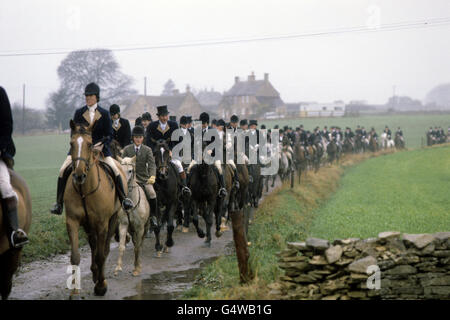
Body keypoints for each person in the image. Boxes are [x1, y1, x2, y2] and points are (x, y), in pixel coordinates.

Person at [50, 83, 133, 216]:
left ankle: (124, 200)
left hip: (100, 151)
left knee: (116, 170)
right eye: (86, 96)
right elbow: (74, 133)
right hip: (80, 151)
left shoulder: (105, 114)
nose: (88, 98)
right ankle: (59, 204)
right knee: (62, 170)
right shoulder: (79, 113)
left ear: (97, 97)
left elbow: (110, 134)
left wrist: (101, 144)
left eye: (90, 96)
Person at [0, 87, 29, 248]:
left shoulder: (0, 93)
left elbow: (6, 125)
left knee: (5, 186)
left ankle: (14, 232)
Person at [145, 105, 190, 195]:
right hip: (157, 154)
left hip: (170, 153)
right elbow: (148, 141)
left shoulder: (173, 125)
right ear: (158, 116)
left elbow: (179, 140)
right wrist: (154, 152)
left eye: (166, 116)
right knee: (146, 166)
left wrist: (172, 150)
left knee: (179, 165)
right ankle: (145, 186)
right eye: (162, 116)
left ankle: (184, 187)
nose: (164, 118)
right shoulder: (152, 126)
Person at [122, 125, 158, 230]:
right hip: (129, 180)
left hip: (143, 179)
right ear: (133, 138)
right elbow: (123, 163)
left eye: (140, 137)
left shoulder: (148, 150)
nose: (138, 139)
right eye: (136, 137)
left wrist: (152, 176)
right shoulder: (127, 149)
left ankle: (153, 217)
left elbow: (152, 165)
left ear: (143, 138)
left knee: (152, 193)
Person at [187, 112, 227, 197]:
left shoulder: (213, 131)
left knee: (219, 168)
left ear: (207, 123)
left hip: (213, 156)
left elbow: (217, 143)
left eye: (205, 124)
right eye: (202, 123)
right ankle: (187, 188)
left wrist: (211, 150)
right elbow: (194, 144)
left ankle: (222, 189)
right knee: (189, 168)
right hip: (199, 157)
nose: (203, 125)